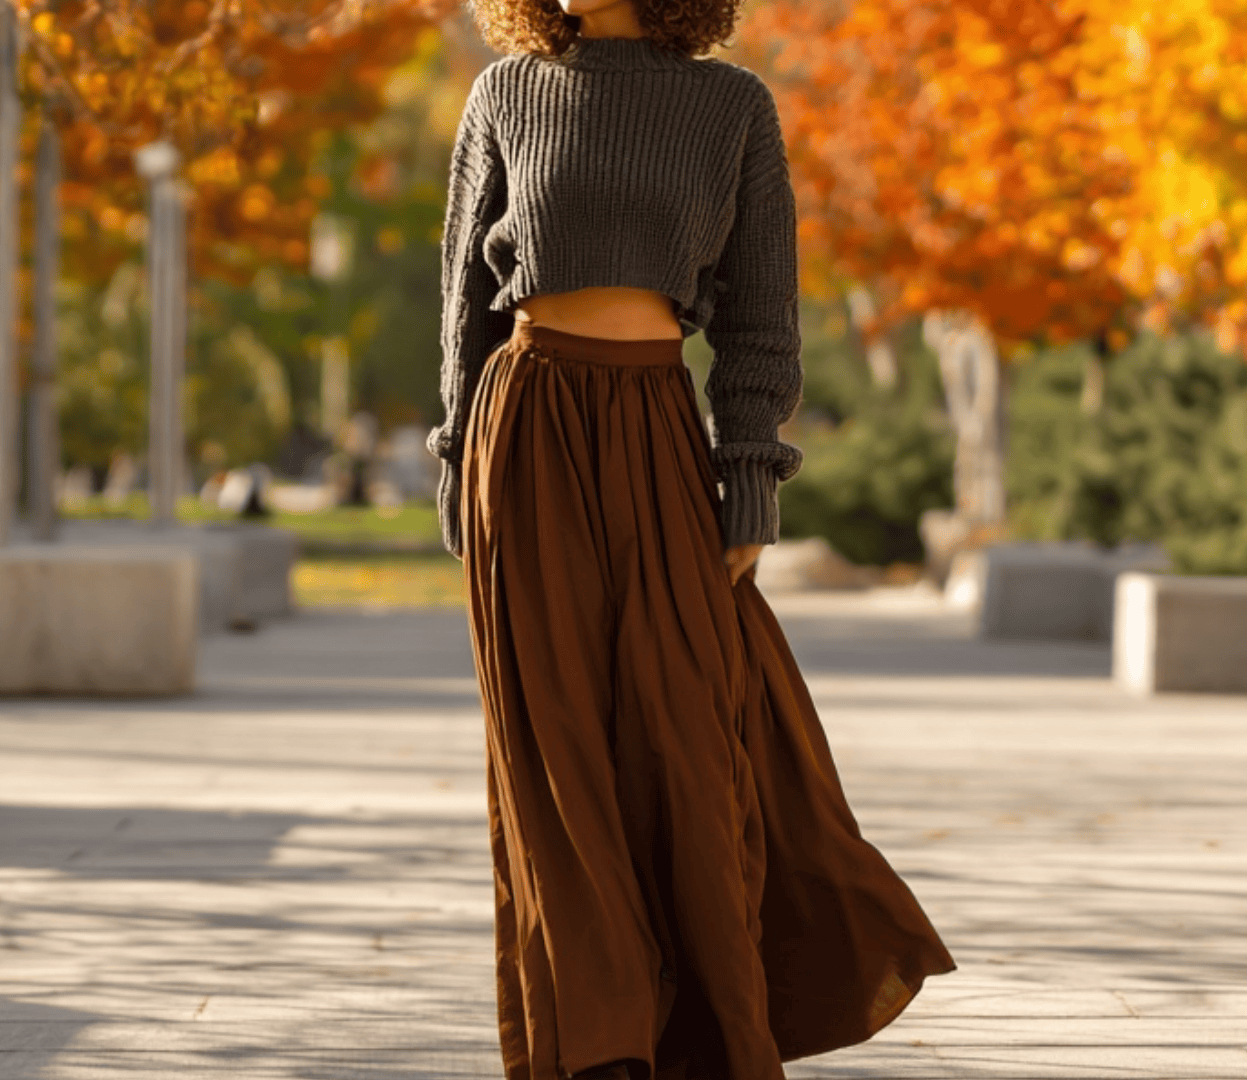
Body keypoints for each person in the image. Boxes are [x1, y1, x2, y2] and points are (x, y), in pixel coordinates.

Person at [424, 1, 957, 1078]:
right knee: (556, 753)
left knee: (689, 736)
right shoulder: (504, 94)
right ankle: (599, 1047)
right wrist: (454, 458)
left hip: (660, 433)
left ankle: (706, 1028)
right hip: (525, 437)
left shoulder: (733, 108)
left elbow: (764, 313)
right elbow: (464, 308)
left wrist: (750, 475)